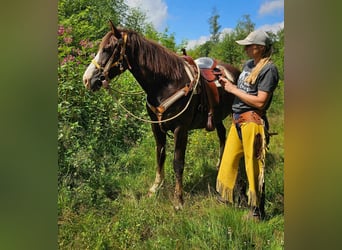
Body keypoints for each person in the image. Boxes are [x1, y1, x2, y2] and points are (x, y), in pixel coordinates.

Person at [216, 30, 279, 221]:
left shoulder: (269, 69)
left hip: (252, 121)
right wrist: (229, 83)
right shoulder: (248, 65)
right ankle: (229, 199)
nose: (245, 48)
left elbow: (260, 101)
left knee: (254, 167)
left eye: (248, 45)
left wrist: (233, 89)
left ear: (259, 48)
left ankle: (257, 212)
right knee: (228, 161)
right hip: (238, 120)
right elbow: (244, 88)